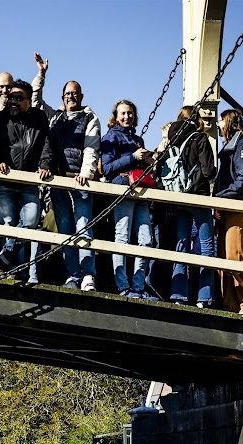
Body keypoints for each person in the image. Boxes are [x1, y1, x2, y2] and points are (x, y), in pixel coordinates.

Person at [0, 79, 54, 281]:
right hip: (5, 181)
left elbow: (46, 145)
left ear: (29, 101)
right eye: (11, 97)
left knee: (31, 220)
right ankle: (10, 272)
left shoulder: (39, 118)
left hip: (28, 181)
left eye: (19, 98)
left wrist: (45, 165)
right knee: (8, 224)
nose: (13, 101)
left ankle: (4, 258)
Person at [42, 81, 101, 291]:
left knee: (84, 227)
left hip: (78, 179)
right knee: (66, 229)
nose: (71, 97)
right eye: (67, 94)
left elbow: (91, 148)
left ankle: (88, 275)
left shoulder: (89, 118)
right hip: (58, 179)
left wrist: (86, 174)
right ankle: (72, 275)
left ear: (81, 97)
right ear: (62, 97)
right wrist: (41, 76)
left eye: (75, 94)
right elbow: (35, 100)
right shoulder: (55, 117)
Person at [160, 107, 217, 307]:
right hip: (199, 198)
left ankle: (178, 295)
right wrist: (196, 182)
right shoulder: (200, 138)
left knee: (181, 245)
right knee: (207, 247)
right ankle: (204, 297)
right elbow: (209, 170)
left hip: (178, 198)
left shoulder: (171, 138)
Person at [101, 100, 155, 298]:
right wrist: (133, 157)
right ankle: (123, 286)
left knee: (146, 240)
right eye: (123, 113)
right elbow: (106, 168)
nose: (127, 117)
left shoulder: (137, 138)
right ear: (116, 116)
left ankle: (138, 287)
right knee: (122, 237)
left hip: (140, 190)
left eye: (130, 113)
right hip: (123, 190)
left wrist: (148, 161)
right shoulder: (110, 137)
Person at [214, 109, 243, 315]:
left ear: (228, 122)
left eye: (221, 120)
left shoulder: (240, 145)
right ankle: (230, 305)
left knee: (234, 256)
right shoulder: (232, 146)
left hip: (236, 205)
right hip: (228, 205)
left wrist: (219, 198)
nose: (217, 124)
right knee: (224, 258)